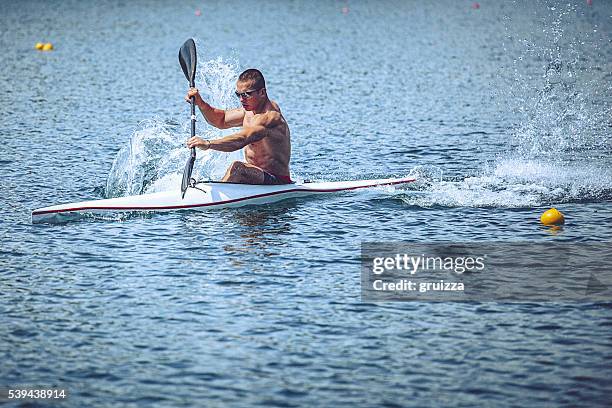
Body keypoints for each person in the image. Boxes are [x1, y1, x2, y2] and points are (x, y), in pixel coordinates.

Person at [185, 69, 292, 184]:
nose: (241, 99)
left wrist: (208, 144)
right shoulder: (249, 111)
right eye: (238, 94)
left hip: (277, 180)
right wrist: (200, 103)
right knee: (237, 168)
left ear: (262, 92)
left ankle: (217, 198)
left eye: (247, 94)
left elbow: (242, 140)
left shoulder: (270, 118)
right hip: (257, 175)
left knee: (237, 168)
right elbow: (220, 120)